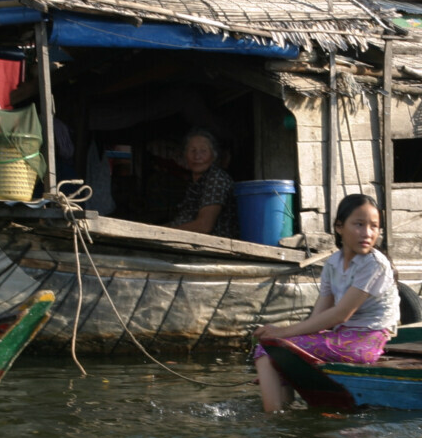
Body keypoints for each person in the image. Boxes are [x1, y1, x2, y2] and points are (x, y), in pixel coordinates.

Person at [253, 193, 400, 412]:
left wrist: (282, 333)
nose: (368, 234)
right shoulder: (334, 263)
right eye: (359, 224)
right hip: (342, 336)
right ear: (339, 227)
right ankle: (283, 409)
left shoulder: (374, 264)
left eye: (374, 227)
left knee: (265, 351)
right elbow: (319, 316)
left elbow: (341, 315)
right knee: (276, 351)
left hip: (366, 341)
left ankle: (272, 420)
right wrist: (283, 338)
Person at [169, 128, 237, 238]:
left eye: (203, 151)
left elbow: (204, 226)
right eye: (192, 151)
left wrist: (164, 232)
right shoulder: (194, 182)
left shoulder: (216, 179)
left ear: (213, 156)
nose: (197, 156)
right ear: (185, 156)